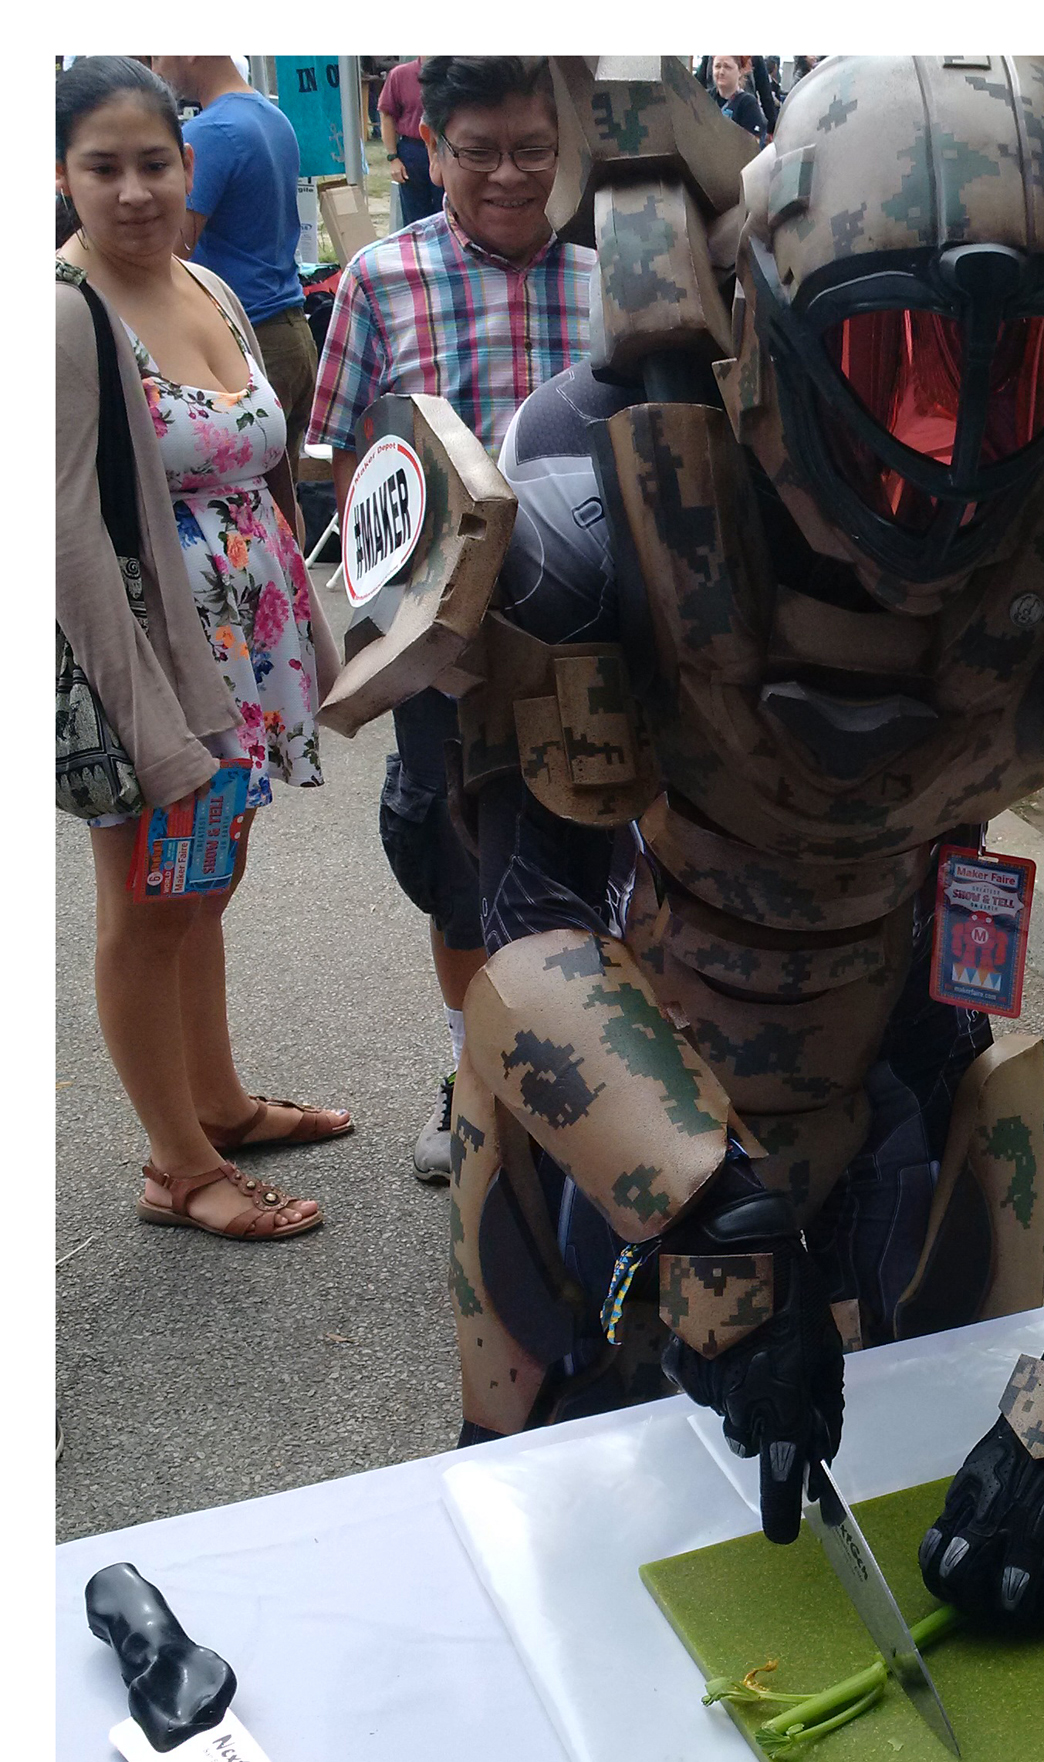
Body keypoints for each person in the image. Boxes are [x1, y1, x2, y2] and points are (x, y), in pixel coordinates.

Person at [436, 56, 1044, 1641]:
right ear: (769, 312)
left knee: (915, 1484)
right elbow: (514, 905)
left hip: (906, 1063)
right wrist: (705, 1216)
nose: (950, 451)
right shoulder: (598, 489)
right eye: (899, 363)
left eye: (1013, 380)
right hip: (635, 1057)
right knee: (550, 1557)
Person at [56, 57, 346, 1242]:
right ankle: (177, 1165)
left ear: (189, 163)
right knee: (145, 906)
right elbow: (64, 536)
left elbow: (265, 483)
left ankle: (218, 1100)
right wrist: (155, 722)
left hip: (243, 651)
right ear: (58, 173)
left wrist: (313, 649)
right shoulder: (60, 315)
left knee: (207, 880)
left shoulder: (211, 287)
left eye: (154, 163)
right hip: (149, 663)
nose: (134, 191)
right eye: (102, 166)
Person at [306, 57, 595, 1184]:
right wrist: (404, 612)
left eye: (531, 147)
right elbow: (344, 454)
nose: (508, 174)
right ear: (433, 151)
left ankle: (593, 1080)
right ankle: (472, 1074)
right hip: (445, 649)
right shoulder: (380, 280)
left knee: (604, 843)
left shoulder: (611, 281)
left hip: (592, 638)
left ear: (560, 150)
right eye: (479, 151)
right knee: (459, 856)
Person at [147, 59, 318, 501]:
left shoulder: (209, 133)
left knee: (244, 514)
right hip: (291, 329)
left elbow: (171, 248)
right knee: (282, 509)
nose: (155, 65)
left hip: (245, 341)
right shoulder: (272, 116)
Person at [378, 58, 442, 228]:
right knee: (415, 218)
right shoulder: (400, 74)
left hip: (446, 149)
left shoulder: (454, 73)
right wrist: (393, 158)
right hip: (413, 151)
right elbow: (387, 115)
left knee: (447, 212)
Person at [711, 55, 769, 142]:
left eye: (727, 67)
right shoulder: (706, 96)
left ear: (740, 71)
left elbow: (752, 146)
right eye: (717, 66)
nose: (721, 72)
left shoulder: (748, 104)